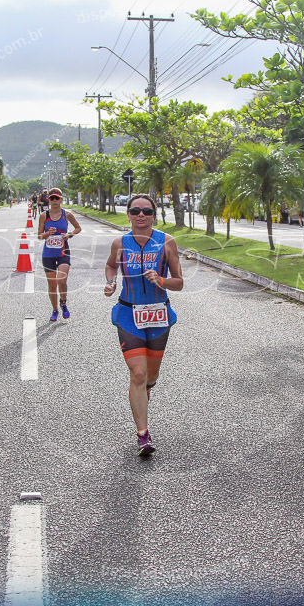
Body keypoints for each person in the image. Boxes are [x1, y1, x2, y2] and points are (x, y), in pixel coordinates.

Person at [104, 194, 184, 456]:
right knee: (137, 374)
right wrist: (111, 282)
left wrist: (160, 279)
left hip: (159, 315)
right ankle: (143, 435)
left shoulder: (167, 242)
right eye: (135, 211)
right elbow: (110, 266)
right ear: (127, 214)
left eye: (146, 211)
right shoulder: (120, 243)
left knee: (151, 376)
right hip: (129, 314)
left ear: (154, 215)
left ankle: (145, 392)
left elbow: (179, 282)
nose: (141, 215)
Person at [37, 187, 82, 321]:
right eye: (52, 198)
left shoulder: (67, 215)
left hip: (63, 251)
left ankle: (63, 302)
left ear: (61, 199)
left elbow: (78, 228)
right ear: (48, 200)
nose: (55, 201)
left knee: (62, 280)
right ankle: (55, 309)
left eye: (57, 198)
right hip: (48, 253)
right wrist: (47, 234)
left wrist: (70, 234)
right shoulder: (44, 216)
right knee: (52, 284)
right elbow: (39, 236)